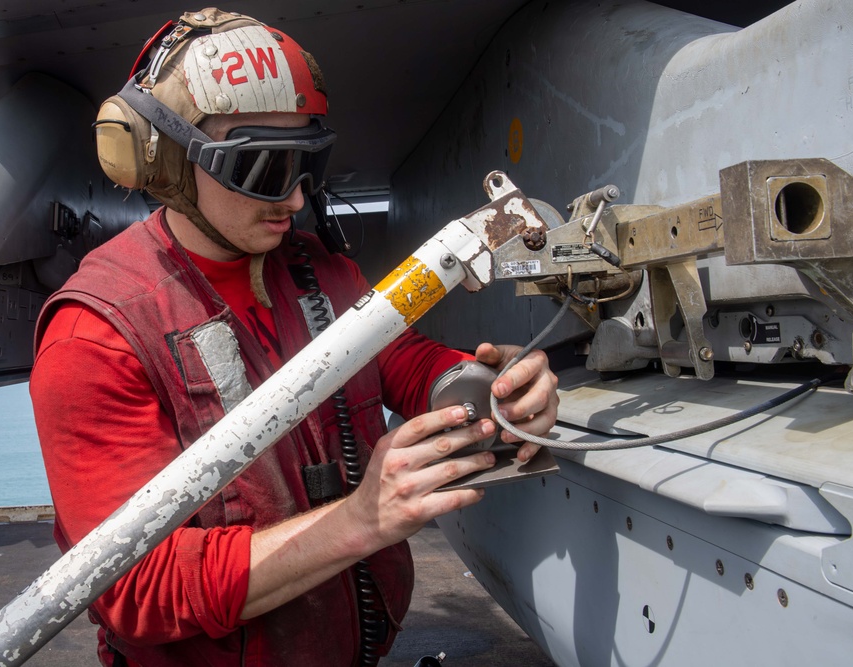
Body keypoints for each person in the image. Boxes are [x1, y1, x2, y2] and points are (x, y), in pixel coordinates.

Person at [29, 8, 559, 667]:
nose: (295, 198)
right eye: (262, 167)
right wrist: (361, 520)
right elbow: (135, 587)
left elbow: (402, 358)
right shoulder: (96, 334)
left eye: (308, 161)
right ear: (169, 159)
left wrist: (481, 385)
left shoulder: (324, 271)